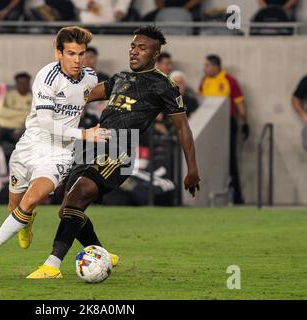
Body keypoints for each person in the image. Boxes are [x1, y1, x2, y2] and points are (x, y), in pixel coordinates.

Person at [27, 26, 201, 279]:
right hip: (92, 140)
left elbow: (183, 128)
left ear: (155, 54)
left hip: (121, 145)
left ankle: (51, 266)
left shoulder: (164, 86)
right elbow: (81, 96)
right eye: (132, 46)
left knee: (77, 197)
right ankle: (101, 253)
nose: (134, 51)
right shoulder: (120, 78)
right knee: (67, 209)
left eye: (142, 47)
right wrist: (49, 96)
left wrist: (192, 169)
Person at [0, 26, 111, 271]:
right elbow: (45, 123)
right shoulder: (47, 77)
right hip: (30, 146)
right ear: (58, 53)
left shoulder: (90, 77)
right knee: (15, 208)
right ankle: (26, 222)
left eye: (81, 54)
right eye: (71, 53)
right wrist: (85, 134)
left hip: (59, 153)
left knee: (32, 199)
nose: (77, 60)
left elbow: (88, 95)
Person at [199, 54, 248, 204]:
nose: (204, 68)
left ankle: (237, 196)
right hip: (208, 125)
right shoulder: (204, 81)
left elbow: (239, 103)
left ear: (215, 66)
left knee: (230, 159)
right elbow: (199, 99)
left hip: (227, 123)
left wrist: (244, 122)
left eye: (207, 65)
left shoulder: (229, 80)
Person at [0, 72, 33, 157]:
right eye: (20, 83)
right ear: (16, 84)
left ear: (29, 84)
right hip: (6, 128)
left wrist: (13, 114)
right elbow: (1, 112)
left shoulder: (34, 97)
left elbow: (34, 116)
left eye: (25, 83)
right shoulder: (8, 96)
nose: (23, 86)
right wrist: (24, 113)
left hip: (26, 130)